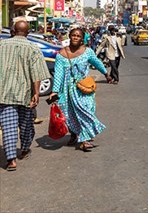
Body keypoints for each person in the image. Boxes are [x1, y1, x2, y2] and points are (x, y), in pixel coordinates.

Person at [50, 28, 113, 152]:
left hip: (84, 89)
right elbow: (58, 74)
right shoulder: (62, 54)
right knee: (69, 113)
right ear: (69, 37)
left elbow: (97, 62)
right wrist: (55, 91)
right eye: (73, 35)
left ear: (82, 38)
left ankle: (83, 138)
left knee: (85, 110)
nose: (75, 38)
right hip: (67, 90)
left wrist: (106, 74)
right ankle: (76, 136)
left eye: (78, 36)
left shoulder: (87, 52)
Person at [0, 21, 50, 171]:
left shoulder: (1, 45)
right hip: (25, 94)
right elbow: (37, 74)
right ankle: (25, 148)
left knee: (8, 126)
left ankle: (11, 160)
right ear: (28, 33)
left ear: (12, 31)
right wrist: (36, 93)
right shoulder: (33, 48)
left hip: (4, 94)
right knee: (26, 124)